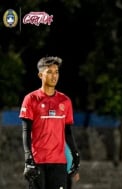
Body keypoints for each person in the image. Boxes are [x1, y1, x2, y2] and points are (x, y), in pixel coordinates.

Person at [20, 56, 80, 189]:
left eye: (56, 72)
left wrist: (75, 153)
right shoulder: (30, 99)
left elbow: (68, 132)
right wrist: (28, 157)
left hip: (59, 163)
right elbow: (26, 131)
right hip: (37, 161)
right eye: (49, 72)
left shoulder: (65, 101)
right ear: (40, 74)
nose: (54, 76)